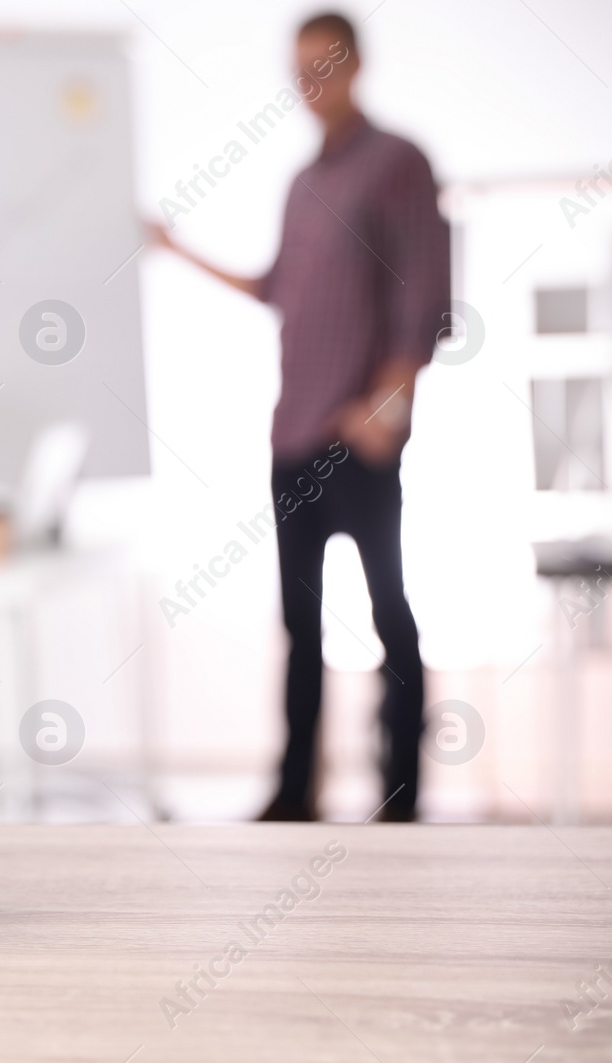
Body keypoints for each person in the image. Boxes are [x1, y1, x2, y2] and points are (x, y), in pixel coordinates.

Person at [150, 12, 449, 821]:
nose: (310, 84)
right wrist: (174, 248)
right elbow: (272, 288)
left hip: (360, 438)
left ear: (356, 66)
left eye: (325, 65)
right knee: (300, 627)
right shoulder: (302, 183)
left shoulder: (398, 164)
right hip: (293, 437)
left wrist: (386, 409)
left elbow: (422, 296)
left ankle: (400, 801)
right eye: (299, 69)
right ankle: (293, 796)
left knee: (389, 614)